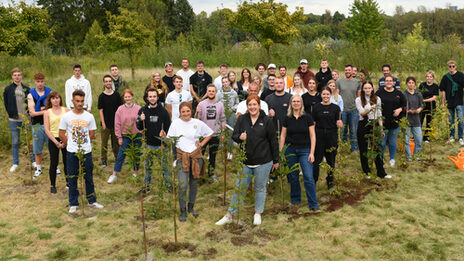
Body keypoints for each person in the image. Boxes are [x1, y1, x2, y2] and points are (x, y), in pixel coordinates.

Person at [216, 95, 279, 226]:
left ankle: (258, 213)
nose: (252, 107)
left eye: (254, 104)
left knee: (260, 188)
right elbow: (234, 136)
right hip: (245, 161)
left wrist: (276, 160)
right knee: (240, 188)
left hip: (263, 161)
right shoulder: (242, 119)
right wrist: (240, 137)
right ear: (247, 106)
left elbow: (273, 141)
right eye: (250, 105)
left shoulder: (267, 121)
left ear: (259, 106)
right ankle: (229, 215)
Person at [59, 90, 104, 213]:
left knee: (88, 176)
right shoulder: (66, 116)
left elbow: (92, 133)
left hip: (86, 151)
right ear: (72, 101)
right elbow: (61, 133)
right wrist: (70, 143)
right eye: (77, 101)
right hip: (72, 152)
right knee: (72, 177)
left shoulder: (89, 116)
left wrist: (84, 142)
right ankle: (73, 203)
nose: (80, 103)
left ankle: (92, 201)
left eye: (82, 101)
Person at [167, 102, 213, 222]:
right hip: (182, 157)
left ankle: (191, 208)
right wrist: (163, 137)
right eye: (183, 112)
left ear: (191, 111)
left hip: (196, 157)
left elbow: (210, 133)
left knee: (193, 183)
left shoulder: (197, 123)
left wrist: (202, 144)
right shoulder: (176, 124)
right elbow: (169, 139)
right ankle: (182, 210)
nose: (186, 114)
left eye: (188, 111)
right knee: (182, 185)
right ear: (180, 112)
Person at [279, 95, 318, 210]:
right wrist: (281, 153)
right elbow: (282, 135)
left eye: (298, 101)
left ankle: (313, 204)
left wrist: (312, 152)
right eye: (294, 101)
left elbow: (312, 135)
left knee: (308, 177)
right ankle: (296, 199)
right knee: (293, 176)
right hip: (290, 150)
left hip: (305, 150)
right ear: (291, 103)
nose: (296, 103)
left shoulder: (307, 117)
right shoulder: (287, 118)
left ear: (301, 103)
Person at [136, 88, 171, 193]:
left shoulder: (163, 111)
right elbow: (139, 127)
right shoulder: (142, 111)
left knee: (165, 168)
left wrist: (164, 134)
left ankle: (169, 186)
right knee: (148, 168)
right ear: (147, 98)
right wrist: (140, 120)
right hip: (148, 144)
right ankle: (146, 187)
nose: (152, 98)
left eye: (154, 96)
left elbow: (168, 127)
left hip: (161, 145)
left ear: (157, 97)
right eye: (150, 96)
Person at [356, 81, 391, 178]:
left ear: (372, 89)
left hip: (374, 124)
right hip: (363, 124)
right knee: (363, 149)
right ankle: (366, 171)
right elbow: (362, 113)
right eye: (365, 88)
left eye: (369, 88)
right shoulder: (358, 100)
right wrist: (370, 108)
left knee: (377, 148)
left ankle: (381, 173)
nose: (367, 90)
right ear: (363, 89)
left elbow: (379, 114)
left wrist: (381, 129)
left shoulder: (377, 99)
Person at [107, 89, 142, 184]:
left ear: (132, 97)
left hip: (136, 134)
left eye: (129, 96)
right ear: (124, 98)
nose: (127, 98)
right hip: (125, 135)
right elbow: (117, 124)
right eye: (126, 97)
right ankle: (114, 174)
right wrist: (119, 137)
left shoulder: (138, 108)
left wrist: (142, 133)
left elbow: (141, 122)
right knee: (121, 154)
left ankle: (135, 172)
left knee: (136, 154)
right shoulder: (120, 109)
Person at [312, 87, 343, 189]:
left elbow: (340, 122)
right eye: (323, 94)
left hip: (331, 135)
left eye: (327, 94)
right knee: (317, 160)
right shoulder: (316, 107)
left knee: (331, 159)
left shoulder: (336, 108)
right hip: (319, 134)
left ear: (331, 95)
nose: (325, 96)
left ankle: (330, 181)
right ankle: (314, 180)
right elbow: (313, 123)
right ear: (321, 95)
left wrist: (340, 124)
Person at [3, 68, 32, 172]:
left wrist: (29, 114)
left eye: (19, 75)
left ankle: (33, 160)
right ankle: (15, 163)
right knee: (15, 142)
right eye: (15, 75)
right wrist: (11, 114)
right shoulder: (8, 89)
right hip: (14, 120)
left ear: (22, 76)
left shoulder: (27, 89)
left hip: (26, 119)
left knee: (29, 140)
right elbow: (6, 104)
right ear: (12, 76)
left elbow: (31, 103)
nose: (17, 77)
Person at [196, 84, 226, 182]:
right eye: (209, 91)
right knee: (200, 155)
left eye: (213, 91)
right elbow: (197, 120)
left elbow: (222, 119)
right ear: (207, 92)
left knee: (213, 156)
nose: (211, 92)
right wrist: (196, 112)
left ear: (216, 92)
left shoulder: (220, 104)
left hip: (215, 134)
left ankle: (211, 174)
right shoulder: (201, 104)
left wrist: (223, 132)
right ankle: (197, 174)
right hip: (203, 135)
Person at [376, 75, 407, 167]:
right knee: (382, 142)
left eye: (390, 81)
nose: (389, 82)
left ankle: (392, 159)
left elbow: (405, 106)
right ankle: (381, 159)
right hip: (382, 122)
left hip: (395, 122)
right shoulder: (379, 93)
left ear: (394, 82)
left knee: (393, 142)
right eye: (387, 81)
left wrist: (399, 110)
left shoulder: (399, 93)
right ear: (384, 82)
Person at [44, 91, 70, 193]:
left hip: (65, 138)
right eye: (53, 98)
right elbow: (47, 129)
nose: (56, 100)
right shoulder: (47, 112)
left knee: (67, 162)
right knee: (54, 162)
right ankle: (52, 185)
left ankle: (69, 182)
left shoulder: (66, 110)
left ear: (60, 99)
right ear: (50, 100)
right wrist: (56, 142)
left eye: (58, 98)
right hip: (53, 139)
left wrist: (65, 141)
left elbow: (69, 126)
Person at [28, 72, 52, 178]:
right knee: (37, 148)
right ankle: (38, 168)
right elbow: (32, 113)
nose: (40, 84)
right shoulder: (30, 94)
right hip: (37, 124)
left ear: (44, 81)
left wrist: (40, 110)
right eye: (38, 81)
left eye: (42, 81)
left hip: (50, 123)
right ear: (35, 82)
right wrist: (45, 110)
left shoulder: (49, 92)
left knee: (52, 147)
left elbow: (54, 108)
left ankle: (54, 167)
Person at [98, 75, 122, 168]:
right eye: (106, 81)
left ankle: (118, 159)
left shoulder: (116, 95)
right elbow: (100, 110)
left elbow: (120, 109)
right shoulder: (101, 96)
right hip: (105, 123)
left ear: (112, 82)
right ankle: (104, 160)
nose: (108, 83)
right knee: (104, 143)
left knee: (116, 143)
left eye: (109, 81)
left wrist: (119, 122)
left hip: (115, 123)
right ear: (104, 83)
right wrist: (103, 123)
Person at [336, 64, 361, 152]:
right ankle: (342, 148)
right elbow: (337, 96)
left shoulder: (357, 82)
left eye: (349, 70)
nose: (347, 71)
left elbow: (359, 97)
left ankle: (354, 148)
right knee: (343, 130)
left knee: (353, 130)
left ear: (352, 71)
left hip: (354, 109)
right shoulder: (339, 81)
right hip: (343, 110)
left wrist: (360, 109)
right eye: (346, 70)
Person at [439, 60, 464, 144]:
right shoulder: (445, 77)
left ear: (456, 66)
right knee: (451, 120)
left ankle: (460, 137)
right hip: (449, 101)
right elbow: (443, 91)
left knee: (460, 120)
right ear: (448, 67)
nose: (451, 68)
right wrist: (442, 103)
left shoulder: (461, 75)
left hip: (459, 101)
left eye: (453, 66)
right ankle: (452, 137)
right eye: (450, 66)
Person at [403, 77, 424, 160]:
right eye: (409, 83)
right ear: (406, 84)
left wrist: (419, 110)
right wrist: (407, 110)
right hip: (406, 120)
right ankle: (408, 157)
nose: (411, 84)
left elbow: (421, 105)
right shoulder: (403, 94)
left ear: (415, 84)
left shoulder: (418, 94)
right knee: (406, 140)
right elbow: (401, 106)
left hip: (416, 120)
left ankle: (416, 156)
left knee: (418, 139)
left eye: (412, 83)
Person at [418, 71, 439, 142]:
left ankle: (426, 138)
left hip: (431, 106)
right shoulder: (422, 85)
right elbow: (419, 94)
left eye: (431, 77)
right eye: (428, 76)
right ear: (425, 77)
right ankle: (418, 136)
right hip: (422, 106)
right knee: (419, 121)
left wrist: (424, 100)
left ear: (433, 78)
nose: (429, 78)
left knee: (429, 122)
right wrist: (421, 101)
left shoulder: (435, 86)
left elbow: (434, 98)